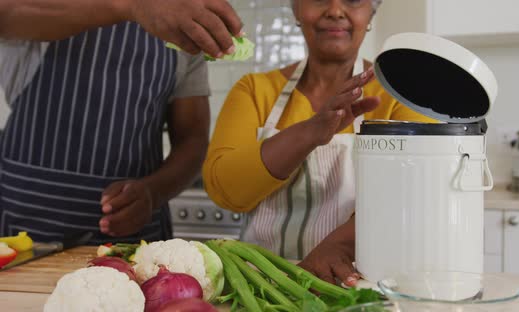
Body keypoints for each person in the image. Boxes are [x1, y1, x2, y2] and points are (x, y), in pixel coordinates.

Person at [202, 0, 436, 285]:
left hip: (364, 286)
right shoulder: (254, 90)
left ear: (371, 13)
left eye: (352, 0)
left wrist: (339, 247)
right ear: (296, 10)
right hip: (263, 287)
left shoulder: (401, 95)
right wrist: (310, 132)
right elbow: (226, 190)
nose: (335, 10)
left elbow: (418, 192)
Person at [0, 0, 243, 244]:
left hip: (131, 237)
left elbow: (193, 139)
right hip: (26, 228)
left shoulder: (178, 28)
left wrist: (152, 192)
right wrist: (135, 6)